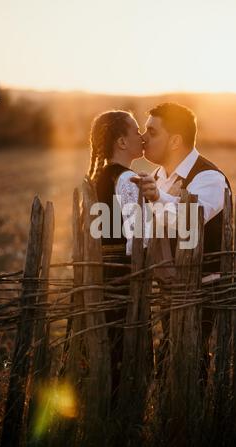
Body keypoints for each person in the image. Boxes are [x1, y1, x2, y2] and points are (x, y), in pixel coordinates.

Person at [132, 102, 232, 386]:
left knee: (189, 365)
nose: (143, 137)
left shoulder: (209, 177)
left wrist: (155, 199)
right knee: (170, 364)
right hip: (169, 289)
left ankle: (194, 425)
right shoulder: (157, 178)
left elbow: (190, 221)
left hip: (202, 290)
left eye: (151, 131)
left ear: (175, 140)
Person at [85, 110, 144, 407]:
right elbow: (137, 236)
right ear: (122, 141)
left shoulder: (99, 176)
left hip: (100, 271)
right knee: (123, 345)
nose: (142, 136)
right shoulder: (127, 179)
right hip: (122, 274)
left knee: (105, 343)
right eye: (136, 130)